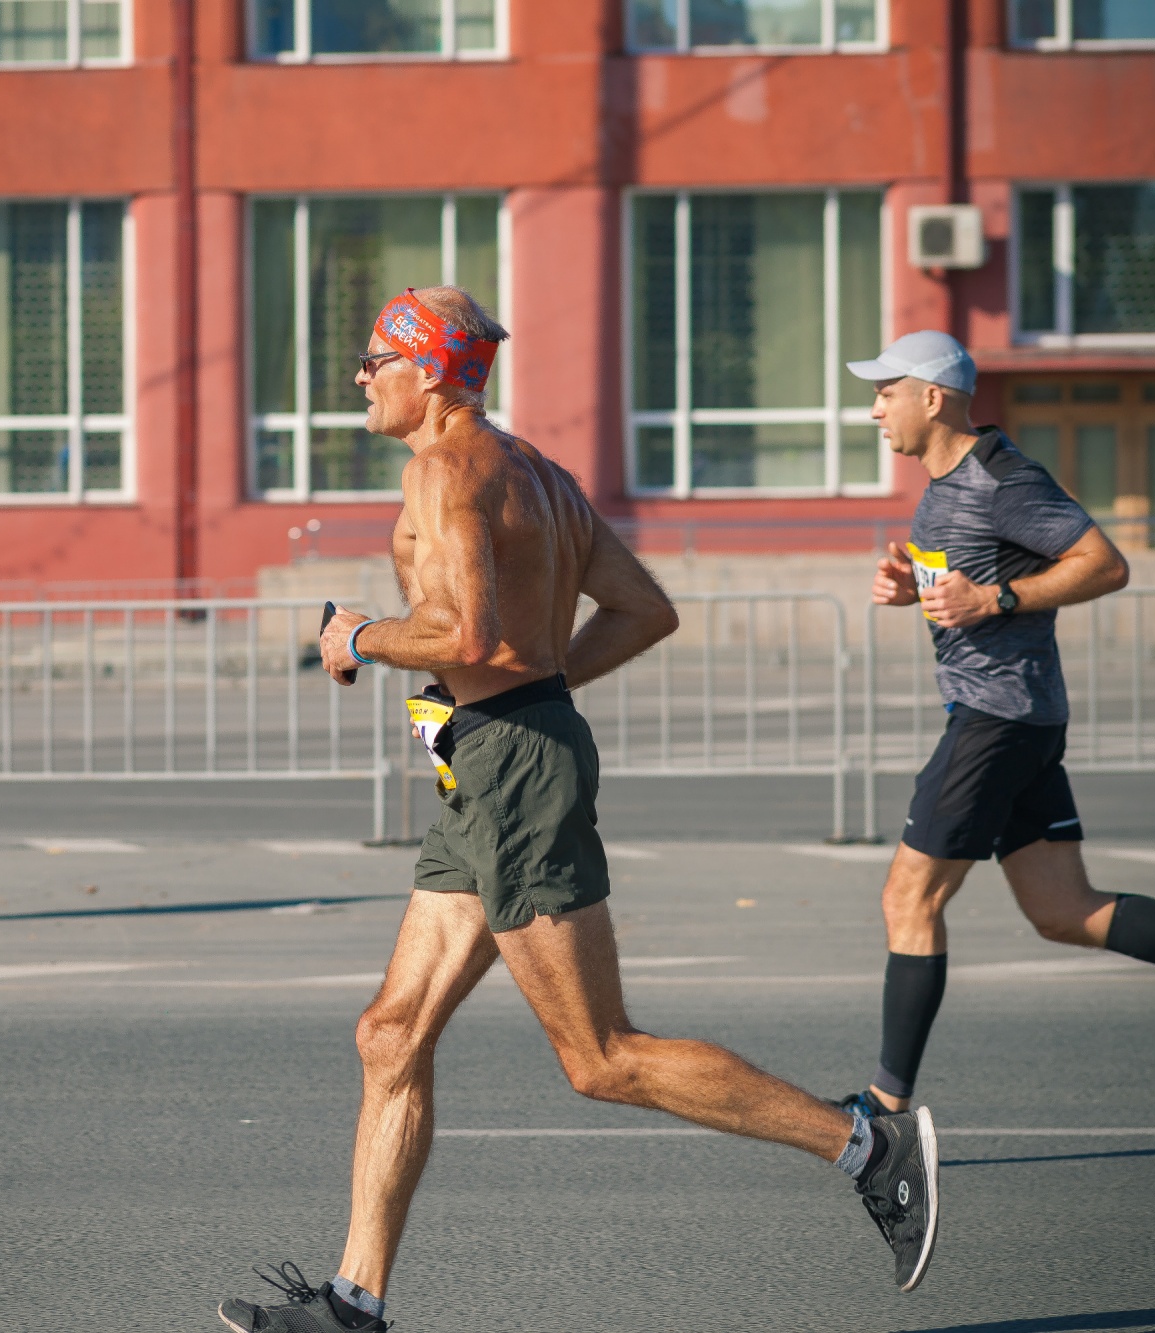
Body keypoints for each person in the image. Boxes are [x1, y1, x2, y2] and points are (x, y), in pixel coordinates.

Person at [217, 289, 941, 1333]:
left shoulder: (446, 469)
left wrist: (359, 638)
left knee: (598, 1057)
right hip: (499, 757)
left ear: (427, 371)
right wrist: (529, 694)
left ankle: (868, 1147)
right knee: (388, 1034)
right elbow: (643, 610)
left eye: (373, 358)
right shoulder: (538, 476)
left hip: (512, 771)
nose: (359, 377)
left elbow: (461, 632)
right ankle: (351, 1304)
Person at [837, 330, 1155, 1124]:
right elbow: (963, 577)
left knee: (907, 898)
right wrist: (910, 586)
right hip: (1015, 717)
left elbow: (1105, 562)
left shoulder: (1004, 478)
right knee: (1063, 910)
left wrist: (995, 601)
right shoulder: (940, 484)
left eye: (886, 390)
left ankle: (885, 1112)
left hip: (998, 718)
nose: (875, 407)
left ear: (933, 396)